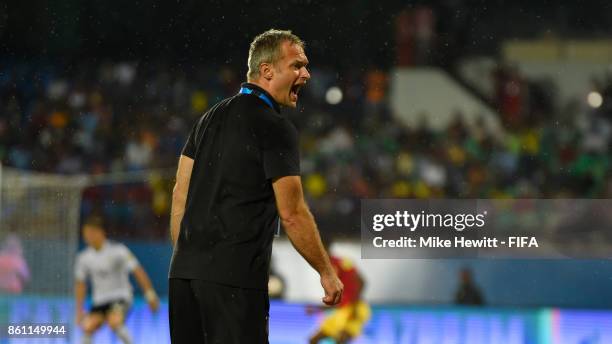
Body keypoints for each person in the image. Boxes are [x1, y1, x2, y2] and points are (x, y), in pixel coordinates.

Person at [168, 29, 343, 343]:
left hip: (182, 277)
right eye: (297, 66)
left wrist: (187, 259)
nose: (306, 73)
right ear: (267, 71)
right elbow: (292, 213)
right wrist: (326, 272)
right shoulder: (274, 127)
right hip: (234, 280)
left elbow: (180, 193)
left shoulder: (208, 118)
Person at [74, 216, 159, 344]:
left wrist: (150, 295)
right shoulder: (83, 258)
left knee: (114, 321)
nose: (87, 237)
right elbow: (80, 284)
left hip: (121, 297)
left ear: (101, 232)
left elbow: (138, 271)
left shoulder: (118, 251)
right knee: (87, 326)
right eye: (85, 234)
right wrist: (79, 310)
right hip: (100, 301)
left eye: (91, 233)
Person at [309, 240, 371, 344]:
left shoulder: (340, 263)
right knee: (313, 340)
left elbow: (361, 282)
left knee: (341, 340)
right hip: (342, 310)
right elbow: (337, 299)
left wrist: (355, 304)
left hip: (354, 308)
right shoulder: (328, 267)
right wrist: (317, 308)